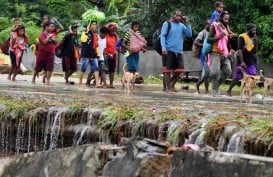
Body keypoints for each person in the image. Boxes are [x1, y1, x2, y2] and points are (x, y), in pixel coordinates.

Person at [160, 10, 192, 92]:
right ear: (173, 15)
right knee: (167, 71)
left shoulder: (181, 25)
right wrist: (163, 48)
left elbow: (189, 34)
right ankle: (169, 88)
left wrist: (187, 23)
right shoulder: (167, 23)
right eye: (177, 15)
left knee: (179, 70)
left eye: (180, 16)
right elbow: (162, 36)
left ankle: (170, 85)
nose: (179, 17)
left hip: (179, 51)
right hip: (168, 50)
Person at [226, 23, 258, 96]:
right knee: (239, 76)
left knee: (253, 76)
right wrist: (242, 61)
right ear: (248, 30)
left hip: (251, 59)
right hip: (242, 59)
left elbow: (256, 50)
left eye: (255, 30)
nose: (254, 31)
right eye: (253, 30)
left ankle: (249, 93)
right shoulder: (242, 36)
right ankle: (229, 90)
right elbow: (239, 49)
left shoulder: (254, 38)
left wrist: (256, 41)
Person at [207, 11, 234, 96]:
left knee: (228, 71)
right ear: (221, 18)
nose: (227, 20)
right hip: (215, 52)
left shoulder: (226, 28)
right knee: (214, 72)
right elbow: (209, 39)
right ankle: (215, 91)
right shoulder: (214, 26)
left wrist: (231, 49)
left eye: (228, 19)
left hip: (224, 53)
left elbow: (227, 42)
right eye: (225, 19)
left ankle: (215, 87)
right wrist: (219, 36)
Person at [79, 21, 101, 88]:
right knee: (83, 68)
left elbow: (97, 45)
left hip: (93, 54)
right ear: (89, 25)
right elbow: (83, 40)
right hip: (86, 55)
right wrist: (87, 31)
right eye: (93, 24)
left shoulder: (96, 35)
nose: (94, 26)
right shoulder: (84, 33)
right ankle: (80, 83)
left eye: (95, 24)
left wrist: (98, 54)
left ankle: (97, 83)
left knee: (96, 69)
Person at [194, 20, 211, 94]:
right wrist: (204, 46)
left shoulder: (212, 33)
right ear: (206, 25)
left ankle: (198, 84)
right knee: (206, 72)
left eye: (211, 25)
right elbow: (196, 42)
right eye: (209, 25)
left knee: (208, 73)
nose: (210, 26)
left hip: (210, 55)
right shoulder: (202, 33)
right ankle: (206, 90)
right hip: (203, 54)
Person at [105, 23, 119, 88]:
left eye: (115, 31)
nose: (114, 32)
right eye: (112, 31)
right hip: (105, 54)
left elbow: (118, 44)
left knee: (112, 69)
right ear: (109, 30)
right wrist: (106, 53)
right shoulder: (105, 35)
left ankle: (111, 84)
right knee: (103, 69)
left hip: (113, 54)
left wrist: (116, 35)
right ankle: (101, 82)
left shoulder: (115, 36)